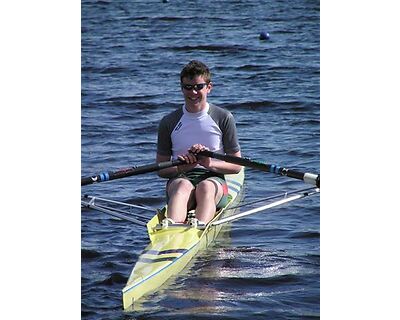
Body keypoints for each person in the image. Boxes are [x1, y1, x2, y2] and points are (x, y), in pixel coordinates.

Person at [156, 60, 242, 225]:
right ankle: (171, 228)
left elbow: (237, 166)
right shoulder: (168, 121)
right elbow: (161, 169)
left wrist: (209, 163)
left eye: (198, 87)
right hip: (180, 178)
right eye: (187, 87)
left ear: (209, 87)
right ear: (181, 88)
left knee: (205, 188)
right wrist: (182, 167)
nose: (193, 92)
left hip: (213, 179)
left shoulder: (223, 117)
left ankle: (199, 228)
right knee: (182, 186)